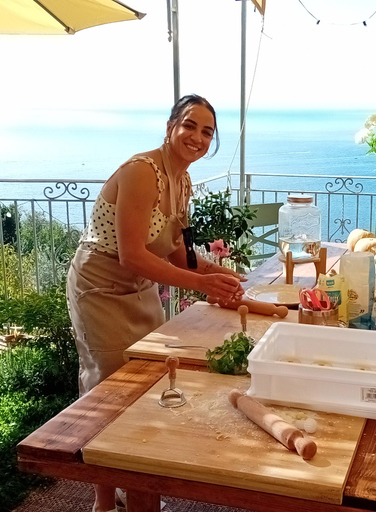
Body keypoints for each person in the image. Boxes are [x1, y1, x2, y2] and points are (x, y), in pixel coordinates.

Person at [66, 94, 245, 512]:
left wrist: (218, 273)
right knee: (108, 390)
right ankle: (104, 500)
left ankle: (133, 485)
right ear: (170, 127)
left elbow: (174, 252)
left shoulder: (181, 180)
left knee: (147, 383)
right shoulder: (141, 172)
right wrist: (203, 286)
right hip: (100, 288)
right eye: (190, 125)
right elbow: (131, 254)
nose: (197, 137)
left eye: (207, 131)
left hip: (140, 287)